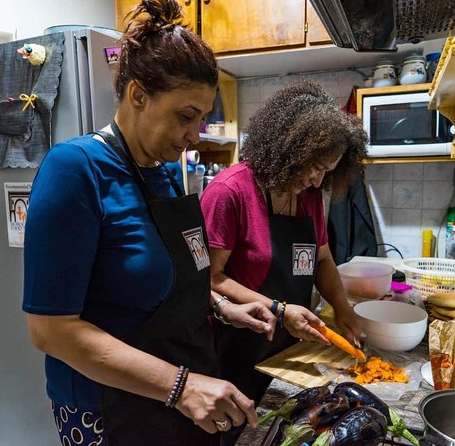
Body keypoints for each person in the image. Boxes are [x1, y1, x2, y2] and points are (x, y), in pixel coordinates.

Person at [22, 1, 276, 445]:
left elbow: (161, 285)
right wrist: (180, 387)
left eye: (202, 118)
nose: (195, 134)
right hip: (108, 410)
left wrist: (220, 307)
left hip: (180, 396)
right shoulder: (75, 170)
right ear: (139, 95)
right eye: (185, 116)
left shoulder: (163, 172)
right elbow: (50, 330)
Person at [200, 80, 368, 442]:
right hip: (235, 352)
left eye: (328, 170)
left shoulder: (308, 197)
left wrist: (343, 308)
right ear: (288, 148)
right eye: (314, 166)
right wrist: (277, 309)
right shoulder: (230, 192)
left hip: (287, 352)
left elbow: (322, 258)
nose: (318, 179)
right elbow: (209, 278)